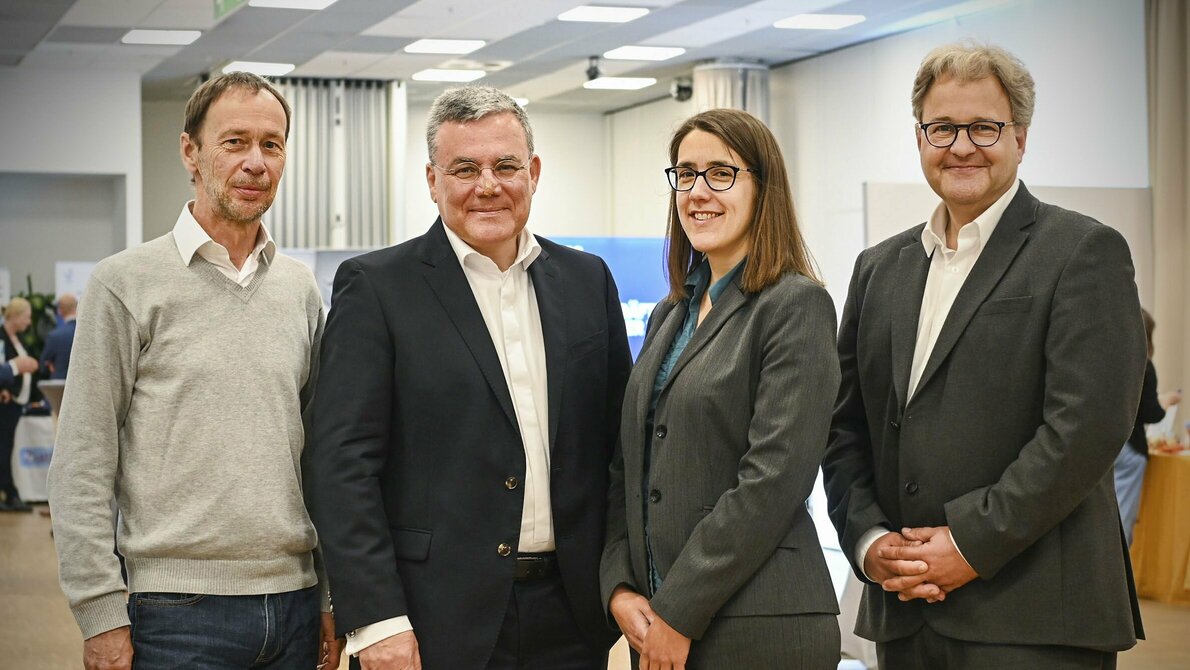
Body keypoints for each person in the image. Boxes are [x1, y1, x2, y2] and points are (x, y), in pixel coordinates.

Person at [822, 42, 1148, 668]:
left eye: (984, 127)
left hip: (1032, 620)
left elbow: (1086, 429)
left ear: (1020, 137)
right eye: (942, 127)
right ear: (919, 136)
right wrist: (868, 540)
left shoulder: (1083, 251)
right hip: (904, 615)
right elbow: (846, 425)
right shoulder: (878, 268)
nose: (961, 146)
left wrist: (969, 542)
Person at [304, 85, 631, 670]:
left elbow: (617, 449)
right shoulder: (378, 288)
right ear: (433, 181)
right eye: (465, 168)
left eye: (505, 165)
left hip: (573, 617)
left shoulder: (587, 281)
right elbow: (340, 464)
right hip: (429, 623)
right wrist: (376, 619)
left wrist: (619, 584)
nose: (488, 185)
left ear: (532, 172)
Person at [47, 72, 340, 670]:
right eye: (235, 142)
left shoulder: (299, 288)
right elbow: (82, 458)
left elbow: (325, 455)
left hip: (296, 603)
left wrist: (332, 594)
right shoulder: (125, 283)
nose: (256, 162)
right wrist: (99, 611)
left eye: (272, 144)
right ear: (191, 152)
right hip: (175, 613)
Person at [600, 108, 842, 669]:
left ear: (764, 189)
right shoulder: (671, 314)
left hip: (759, 626)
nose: (698, 192)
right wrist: (620, 585)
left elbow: (774, 479)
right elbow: (627, 468)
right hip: (657, 620)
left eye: (721, 173)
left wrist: (680, 610)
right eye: (685, 174)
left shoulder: (795, 305)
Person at [1114, 308, 1182, 545]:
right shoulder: (1143, 364)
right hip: (1131, 449)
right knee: (1123, 516)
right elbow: (1150, 413)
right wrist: (1163, 402)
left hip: (1106, 444)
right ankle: (1118, 576)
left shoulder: (1107, 359)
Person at [0, 297, 38, 512]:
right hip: (6, 404)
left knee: (7, 448)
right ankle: (9, 493)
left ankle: (9, 492)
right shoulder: (2, 337)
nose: (29, 321)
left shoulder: (16, 338)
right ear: (15, 316)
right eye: (27, 316)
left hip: (16, 404)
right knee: (3, 449)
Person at [40, 292, 77, 379]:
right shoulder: (87, 334)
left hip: (58, 387)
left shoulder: (54, 336)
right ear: (77, 308)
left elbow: (43, 366)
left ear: (59, 311)